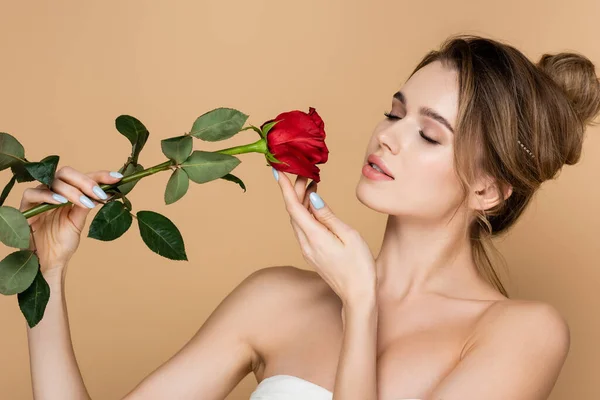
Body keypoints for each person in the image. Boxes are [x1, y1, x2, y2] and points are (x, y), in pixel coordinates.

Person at [19, 34, 600, 400]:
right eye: (392, 113)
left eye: (427, 133)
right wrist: (46, 273)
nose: (387, 137)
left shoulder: (519, 335)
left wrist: (361, 306)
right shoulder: (276, 298)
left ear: (488, 191)